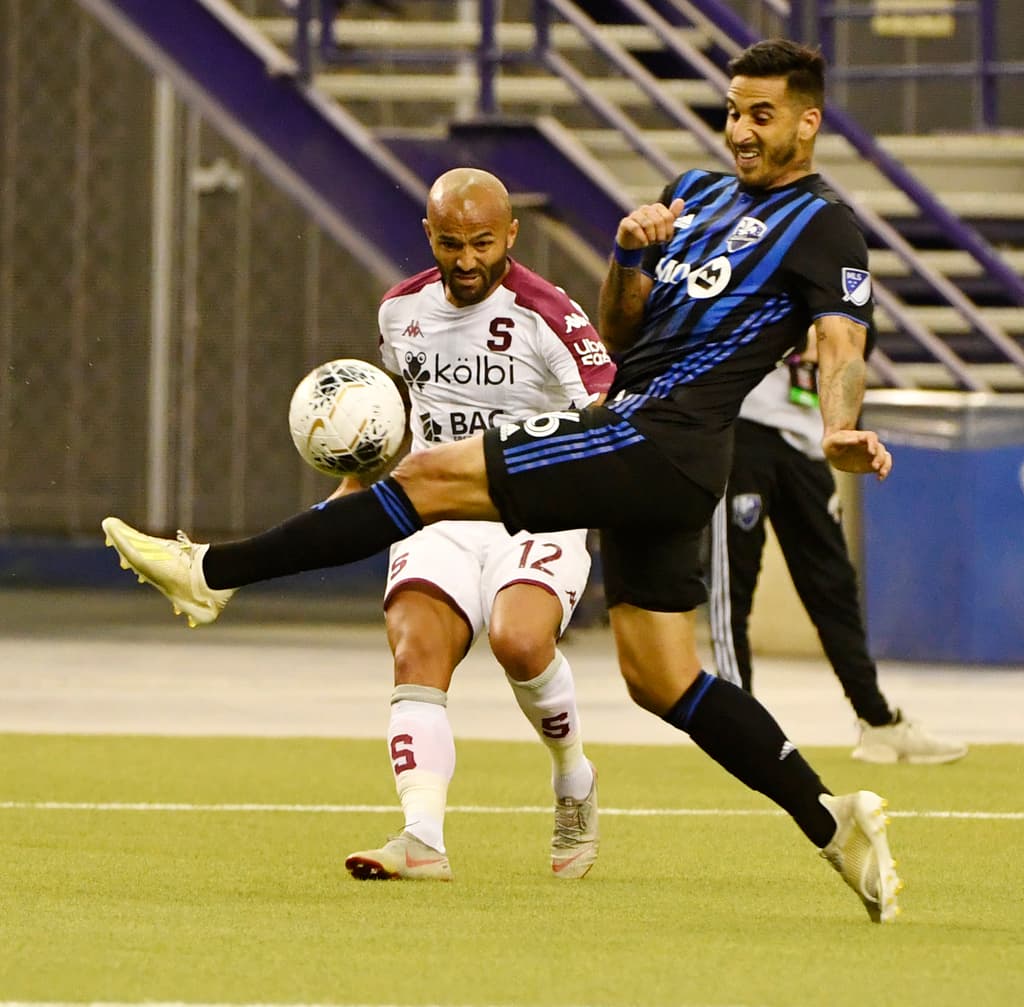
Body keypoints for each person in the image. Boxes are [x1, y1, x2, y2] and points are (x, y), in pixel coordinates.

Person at [102, 39, 903, 922]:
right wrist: (630, 255)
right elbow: (622, 334)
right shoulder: (695, 192)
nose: (741, 132)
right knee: (661, 678)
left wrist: (836, 427)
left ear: (808, 120)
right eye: (732, 110)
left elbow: (840, 343)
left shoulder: (825, 225)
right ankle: (833, 821)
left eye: (762, 115)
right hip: (647, 437)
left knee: (431, 473)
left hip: (662, 440)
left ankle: (211, 574)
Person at [334, 168, 613, 882]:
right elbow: (394, 403)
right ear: (428, 235)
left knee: (520, 641)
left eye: (482, 243)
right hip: (440, 513)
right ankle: (421, 836)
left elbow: (614, 411)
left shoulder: (552, 315)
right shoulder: (400, 312)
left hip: (536, 510)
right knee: (415, 650)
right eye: (451, 242)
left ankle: (573, 778)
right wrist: (355, 478)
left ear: (511, 235)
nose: (466, 260)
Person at [709, 333, 968, 764]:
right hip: (746, 425)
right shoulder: (752, 264)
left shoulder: (839, 272)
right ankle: (742, 728)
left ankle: (877, 721)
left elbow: (862, 335)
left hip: (810, 435)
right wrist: (796, 339)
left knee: (834, 588)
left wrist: (835, 341)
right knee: (733, 585)